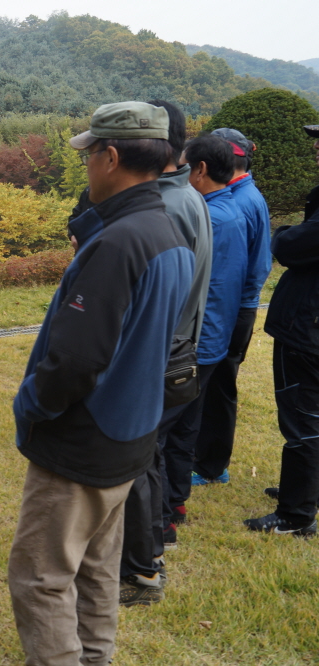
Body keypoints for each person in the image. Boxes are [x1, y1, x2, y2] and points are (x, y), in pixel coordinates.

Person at [9, 102, 193, 665]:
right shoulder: (168, 230)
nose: (86, 166)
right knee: (96, 571)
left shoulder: (117, 243)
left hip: (83, 442)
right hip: (132, 435)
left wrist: (33, 405)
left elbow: (76, 359)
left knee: (40, 578)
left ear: (111, 157)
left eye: (89, 155)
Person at [118, 100, 213, 607]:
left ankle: (142, 569)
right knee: (148, 459)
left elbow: (155, 296)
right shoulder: (187, 197)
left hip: (160, 356)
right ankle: (147, 556)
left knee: (137, 461)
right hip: (176, 350)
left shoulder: (168, 207)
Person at [160, 136, 247, 538]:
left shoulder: (213, 215)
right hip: (210, 337)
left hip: (197, 340)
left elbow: (200, 287)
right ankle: (175, 501)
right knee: (186, 426)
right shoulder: (231, 206)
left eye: (184, 165)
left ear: (200, 170)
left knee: (167, 428)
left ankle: (163, 512)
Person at [245, 124, 319, 538]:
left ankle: (296, 515)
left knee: (302, 416)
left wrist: (285, 234)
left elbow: (290, 247)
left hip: (308, 326)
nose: (316, 148)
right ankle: (305, 488)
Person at [191, 128, 272, 484]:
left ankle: (210, 464)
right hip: (235, 305)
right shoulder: (242, 194)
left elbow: (246, 268)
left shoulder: (237, 202)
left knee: (219, 385)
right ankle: (208, 459)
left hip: (233, 307)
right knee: (215, 385)